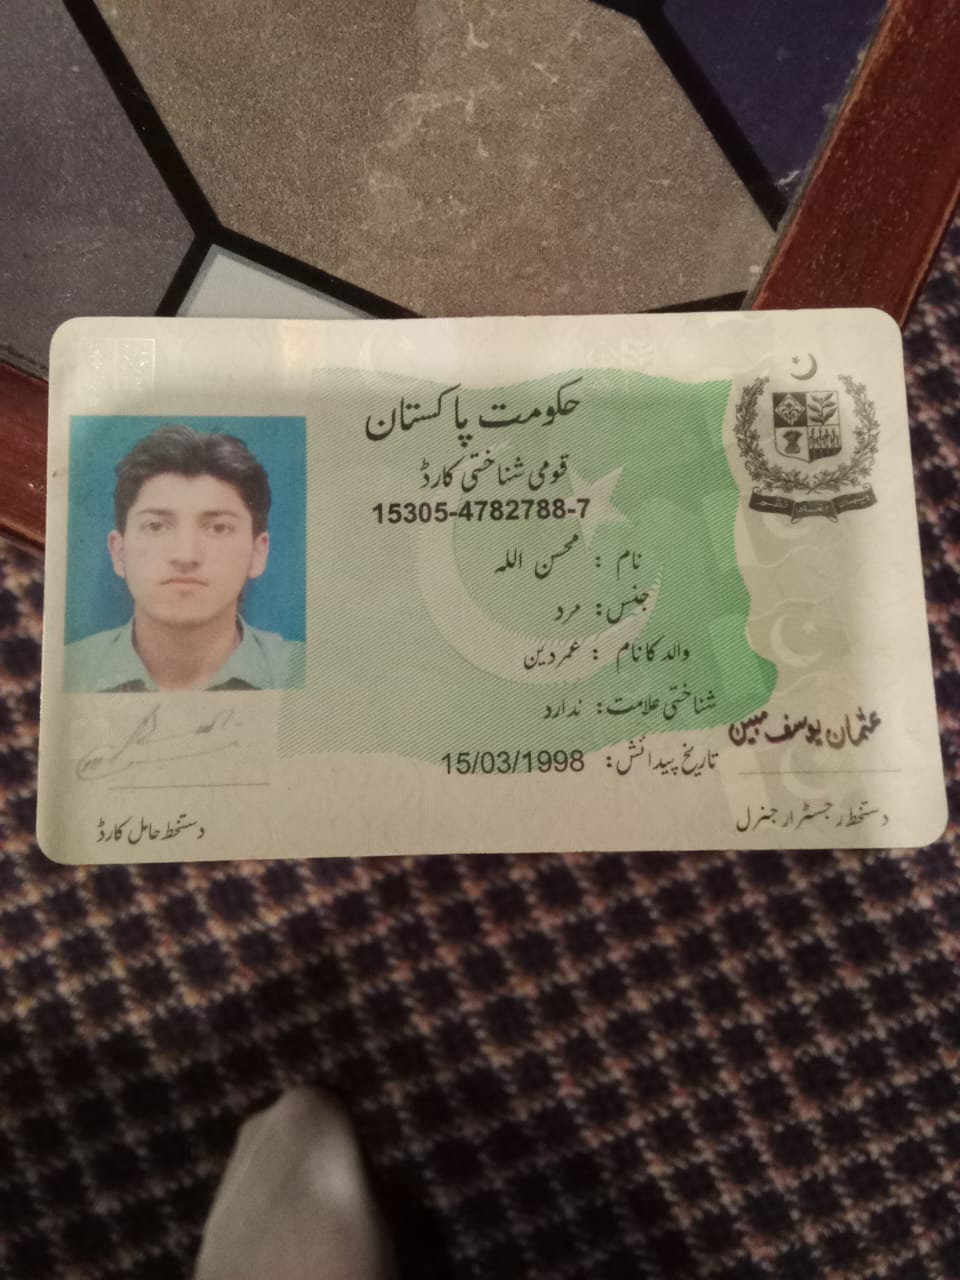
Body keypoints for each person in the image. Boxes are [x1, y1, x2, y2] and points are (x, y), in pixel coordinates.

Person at [65, 425, 302, 692]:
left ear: (257, 553)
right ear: (118, 552)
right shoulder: (65, 672)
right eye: (156, 526)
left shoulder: (309, 674)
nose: (185, 556)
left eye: (218, 528)